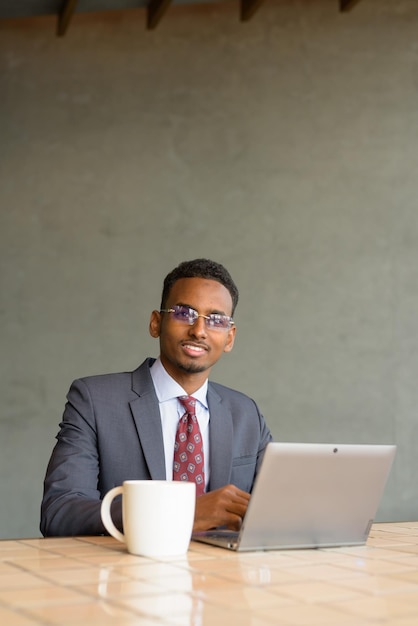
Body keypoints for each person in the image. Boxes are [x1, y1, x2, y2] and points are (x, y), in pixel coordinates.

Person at [40, 258, 272, 537]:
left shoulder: (246, 413)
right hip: (127, 575)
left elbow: (279, 511)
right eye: (184, 313)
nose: (199, 330)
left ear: (230, 337)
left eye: (216, 320)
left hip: (221, 576)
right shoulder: (94, 400)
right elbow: (60, 512)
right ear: (156, 323)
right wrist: (179, 512)